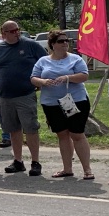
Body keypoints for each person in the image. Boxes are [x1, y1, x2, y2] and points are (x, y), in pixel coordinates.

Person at [31, 30, 94, 180]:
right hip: (51, 103)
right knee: (62, 134)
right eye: (61, 41)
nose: (65, 43)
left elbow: (84, 75)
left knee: (77, 134)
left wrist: (67, 77)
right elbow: (33, 77)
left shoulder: (75, 59)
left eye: (67, 41)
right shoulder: (43, 61)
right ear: (52, 44)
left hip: (75, 100)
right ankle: (67, 169)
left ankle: (87, 169)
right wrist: (42, 82)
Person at [0, 20, 46, 176]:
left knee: (31, 128)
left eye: (17, 30)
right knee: (13, 129)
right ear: (4, 33)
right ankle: (18, 161)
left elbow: (45, 62)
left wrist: (39, 81)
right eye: (12, 31)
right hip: (4, 96)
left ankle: (35, 162)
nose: (16, 33)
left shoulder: (31, 45)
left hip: (25, 94)